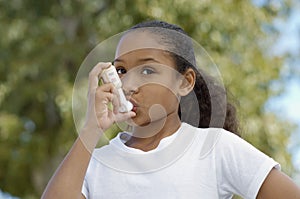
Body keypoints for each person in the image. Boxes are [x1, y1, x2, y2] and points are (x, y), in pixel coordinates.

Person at [42, 20, 300, 199]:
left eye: (147, 70)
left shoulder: (215, 148)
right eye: (120, 71)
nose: (128, 84)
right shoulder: (94, 162)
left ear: (185, 82)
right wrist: (90, 129)